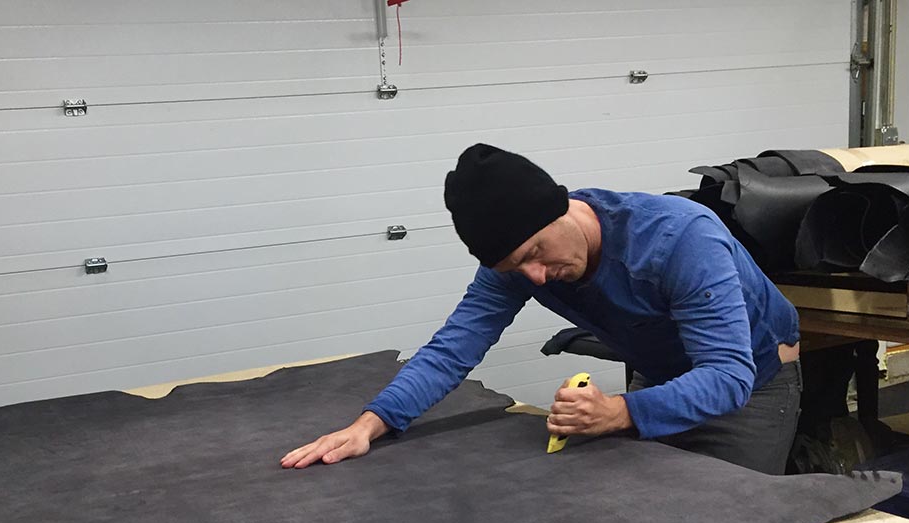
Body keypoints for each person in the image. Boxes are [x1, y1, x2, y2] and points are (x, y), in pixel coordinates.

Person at [282, 144, 802, 474]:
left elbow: (729, 374)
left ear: (562, 210)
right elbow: (451, 350)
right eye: (514, 267)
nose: (532, 277)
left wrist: (620, 412)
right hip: (661, 378)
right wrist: (370, 424)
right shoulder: (518, 263)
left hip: (751, 388)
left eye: (534, 254)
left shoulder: (680, 238)